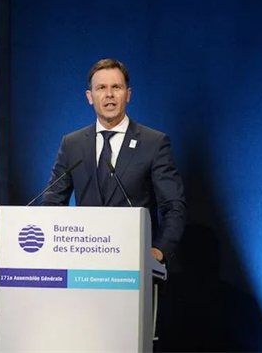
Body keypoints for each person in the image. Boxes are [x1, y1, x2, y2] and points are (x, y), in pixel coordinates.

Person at [42, 59, 187, 263]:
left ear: (128, 94)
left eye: (116, 87)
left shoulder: (153, 143)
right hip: (83, 262)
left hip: (134, 261)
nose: (109, 94)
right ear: (90, 97)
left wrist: (160, 250)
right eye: (101, 88)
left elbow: (174, 206)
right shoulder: (72, 144)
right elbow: (51, 203)